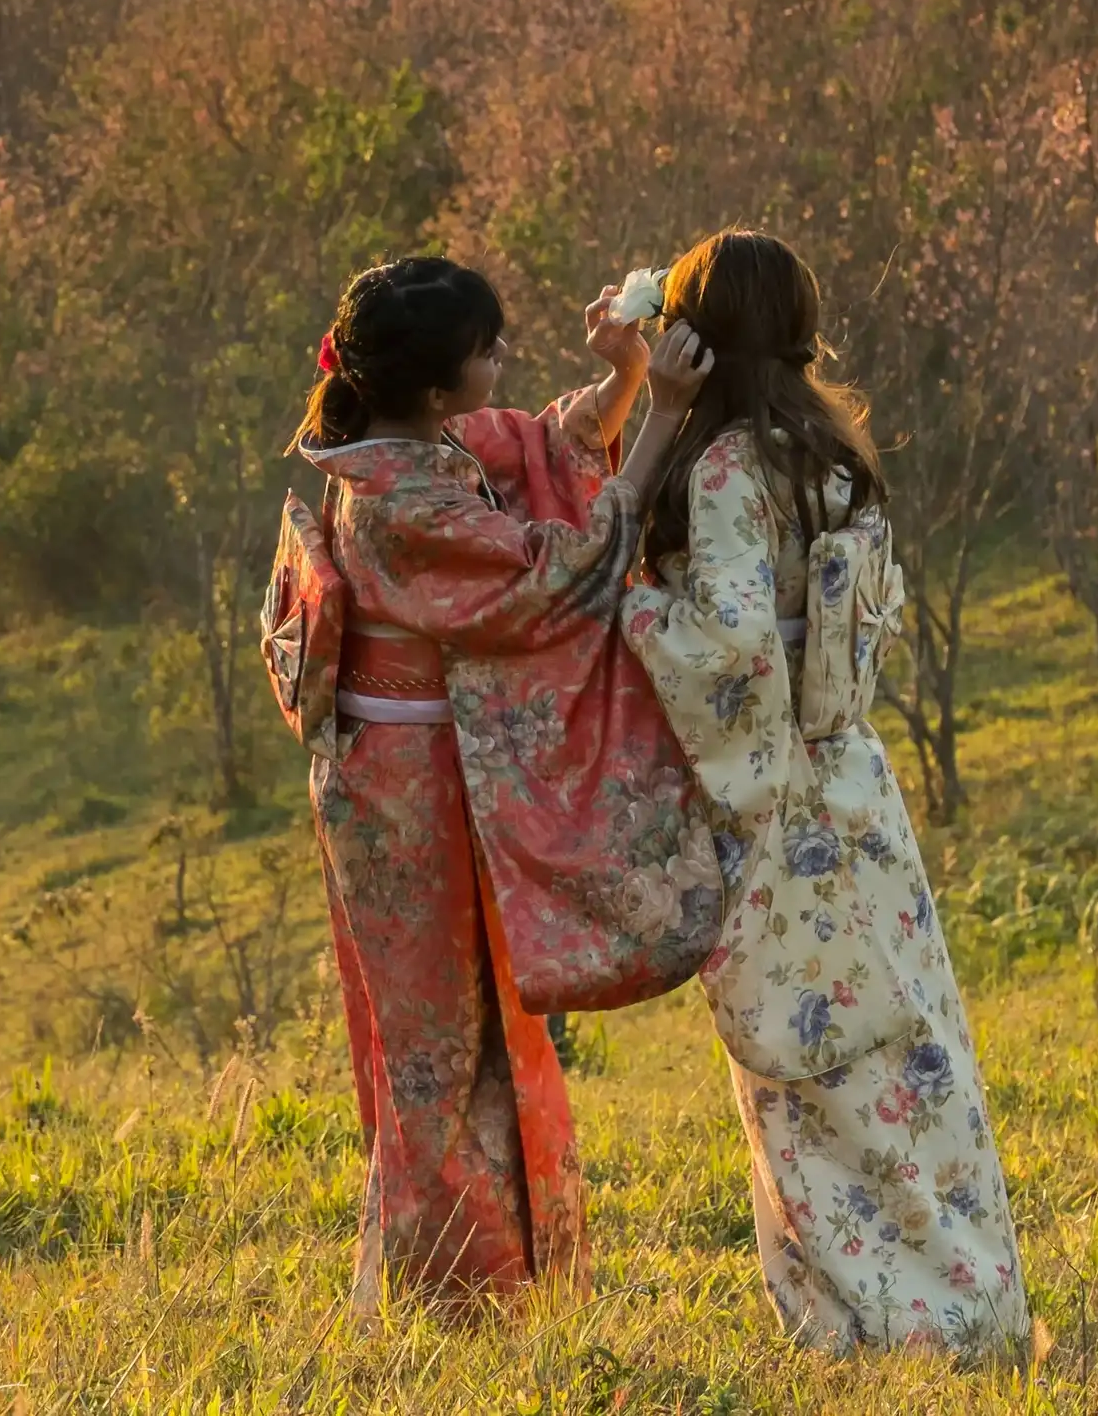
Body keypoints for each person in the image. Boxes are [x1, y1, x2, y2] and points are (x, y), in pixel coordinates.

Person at [622, 229, 1029, 1358]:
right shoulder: (836, 457)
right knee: (909, 1049)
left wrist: (629, 602)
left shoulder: (723, 472)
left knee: (809, 1067)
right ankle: (973, 1297)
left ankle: (873, 1318)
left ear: (698, 336)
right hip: (857, 784)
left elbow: (731, 653)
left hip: (776, 806)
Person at [294, 255, 714, 1310]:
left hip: (421, 775)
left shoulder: (407, 449)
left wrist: (622, 378)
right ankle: (451, 1298)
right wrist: (664, 415)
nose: (502, 362)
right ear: (440, 386)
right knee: (436, 1046)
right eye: (488, 351)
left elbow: (541, 444)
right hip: (402, 794)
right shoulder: (400, 500)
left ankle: (487, 1285)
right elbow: (557, 569)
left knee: (476, 1028)